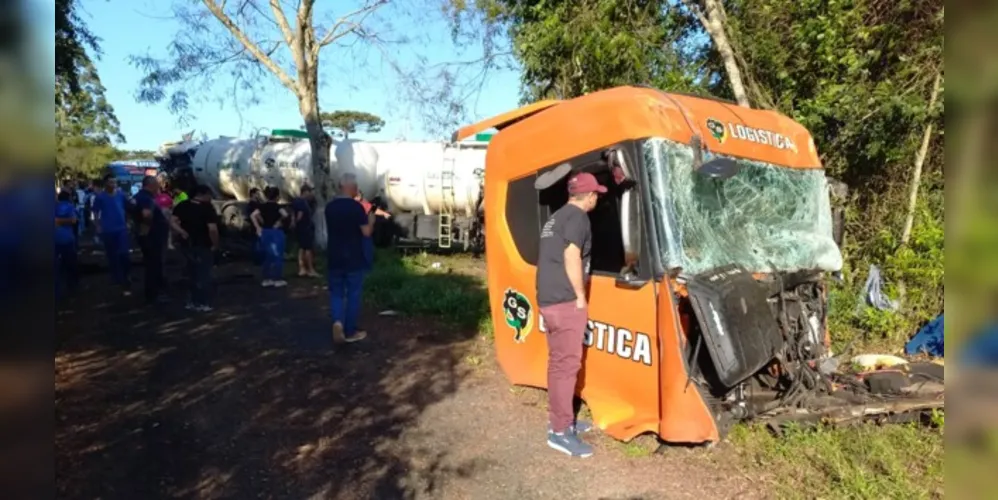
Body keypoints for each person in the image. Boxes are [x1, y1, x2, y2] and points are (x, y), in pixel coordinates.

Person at [536, 170, 605, 458]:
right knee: (567, 366)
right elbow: (571, 255)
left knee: (557, 364)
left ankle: (562, 420)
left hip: (548, 298)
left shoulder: (556, 217)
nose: (596, 200)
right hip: (565, 300)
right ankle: (560, 433)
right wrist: (579, 296)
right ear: (588, 196)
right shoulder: (578, 218)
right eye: (596, 196)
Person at [325, 172, 375, 344]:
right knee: (353, 294)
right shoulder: (357, 208)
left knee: (336, 293)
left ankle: (338, 321)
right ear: (352, 188)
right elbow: (366, 232)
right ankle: (350, 330)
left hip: (334, 256)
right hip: (353, 257)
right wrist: (372, 220)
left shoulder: (329, 207)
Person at [171, 184, 220, 312]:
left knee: (191, 273)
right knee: (203, 274)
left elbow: (172, 221)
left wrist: (181, 232)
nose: (210, 197)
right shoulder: (207, 209)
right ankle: (202, 302)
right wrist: (215, 244)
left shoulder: (183, 205)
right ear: (202, 194)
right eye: (209, 194)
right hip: (203, 244)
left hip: (187, 244)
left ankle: (191, 301)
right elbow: (212, 229)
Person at [132, 176, 171, 304]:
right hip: (152, 237)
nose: (158, 187)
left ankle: (154, 292)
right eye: (156, 184)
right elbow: (146, 215)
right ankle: (153, 294)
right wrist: (148, 227)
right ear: (150, 184)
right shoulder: (145, 198)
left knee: (152, 264)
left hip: (149, 236)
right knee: (154, 265)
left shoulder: (139, 197)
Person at [92, 174, 132, 295]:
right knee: (112, 255)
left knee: (124, 254)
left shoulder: (121, 195)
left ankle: (126, 276)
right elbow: (95, 212)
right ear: (105, 184)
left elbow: (128, 208)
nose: (113, 184)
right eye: (110, 182)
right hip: (108, 229)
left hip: (121, 229)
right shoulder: (100, 197)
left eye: (114, 182)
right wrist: (97, 225)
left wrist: (129, 222)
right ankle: (116, 277)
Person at [251, 186, 289, 287]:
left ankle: (266, 279)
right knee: (277, 255)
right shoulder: (278, 207)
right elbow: (285, 215)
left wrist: (258, 227)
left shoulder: (262, 206)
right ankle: (277, 279)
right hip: (276, 232)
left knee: (267, 255)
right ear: (277, 197)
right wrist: (279, 222)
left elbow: (253, 215)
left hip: (265, 231)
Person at [54, 191, 79, 299]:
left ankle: (58, 292)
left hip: (55, 240)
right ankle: (72, 286)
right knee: (71, 264)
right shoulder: (70, 207)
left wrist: (58, 221)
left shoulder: (53, 207)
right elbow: (74, 220)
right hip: (67, 239)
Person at [292, 185, 320, 278]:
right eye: (310, 192)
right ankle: (310, 269)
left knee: (301, 248)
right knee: (308, 249)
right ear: (305, 192)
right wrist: (297, 222)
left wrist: (294, 224)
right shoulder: (302, 202)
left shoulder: (296, 201)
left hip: (301, 229)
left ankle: (302, 269)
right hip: (305, 228)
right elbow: (299, 215)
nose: (311, 194)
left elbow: (293, 214)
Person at [155, 178, 175, 249]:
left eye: (158, 189)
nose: (157, 191)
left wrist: (168, 209)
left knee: (168, 230)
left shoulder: (166, 196)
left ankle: (169, 243)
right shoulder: (152, 198)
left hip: (166, 215)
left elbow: (172, 204)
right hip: (156, 217)